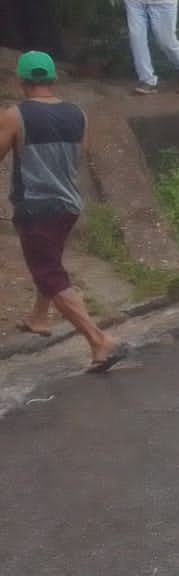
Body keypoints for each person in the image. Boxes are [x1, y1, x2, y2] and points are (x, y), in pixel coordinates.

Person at [2, 52, 126, 373]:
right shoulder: (77, 115)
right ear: (53, 79)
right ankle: (38, 318)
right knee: (50, 261)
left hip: (36, 207)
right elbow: (80, 155)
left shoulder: (15, 116)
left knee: (49, 273)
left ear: (22, 81)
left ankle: (99, 340)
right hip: (68, 204)